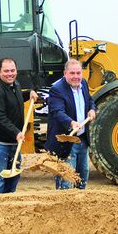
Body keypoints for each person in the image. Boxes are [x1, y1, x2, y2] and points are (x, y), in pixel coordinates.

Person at [0, 58, 38, 193]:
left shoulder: (15, 84)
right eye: (6, 71)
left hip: (14, 142)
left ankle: (10, 206)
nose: (10, 74)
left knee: (14, 176)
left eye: (13, 70)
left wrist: (29, 93)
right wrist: (16, 132)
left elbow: (16, 97)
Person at [45, 59, 97, 189]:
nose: (76, 77)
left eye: (78, 73)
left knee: (82, 177)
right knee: (66, 182)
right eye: (72, 73)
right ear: (65, 73)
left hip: (82, 140)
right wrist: (71, 122)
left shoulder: (83, 84)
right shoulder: (56, 90)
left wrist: (91, 109)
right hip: (66, 143)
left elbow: (90, 100)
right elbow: (57, 112)